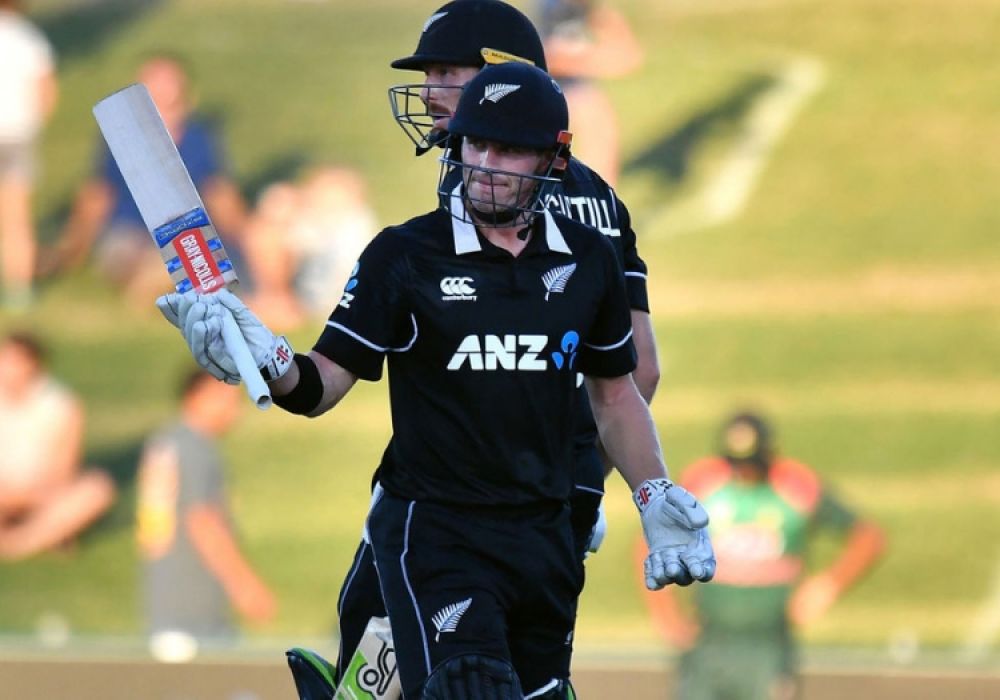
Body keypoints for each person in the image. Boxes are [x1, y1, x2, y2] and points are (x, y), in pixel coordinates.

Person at [158, 61, 713, 699]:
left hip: (543, 534)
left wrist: (652, 494)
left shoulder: (589, 260)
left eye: (508, 149)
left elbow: (616, 394)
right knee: (469, 688)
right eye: (475, 143)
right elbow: (321, 384)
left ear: (552, 160)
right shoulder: (404, 256)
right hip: (439, 532)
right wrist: (268, 362)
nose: (485, 162)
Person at [339, 0, 659, 688]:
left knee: (397, 645)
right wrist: (585, 483)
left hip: (462, 505)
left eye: (447, 72)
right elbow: (642, 370)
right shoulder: (600, 195)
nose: (428, 91)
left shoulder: (478, 183)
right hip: (551, 497)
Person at [638, 411, 886, 700]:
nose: (744, 473)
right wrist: (666, 614)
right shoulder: (702, 482)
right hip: (708, 642)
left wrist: (826, 586)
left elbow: (867, 536)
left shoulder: (796, 485)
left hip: (767, 645)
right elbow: (651, 539)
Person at [49, 53, 249, 305]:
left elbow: (219, 193)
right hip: (129, 231)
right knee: (124, 256)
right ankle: (158, 288)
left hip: (184, 235)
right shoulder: (121, 135)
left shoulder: (199, 137)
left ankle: (159, 288)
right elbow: (98, 193)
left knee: (183, 256)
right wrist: (73, 249)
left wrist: (242, 238)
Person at [136, 367, 276, 656]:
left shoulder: (166, 442)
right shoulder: (196, 449)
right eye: (228, 400)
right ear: (198, 396)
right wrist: (244, 586)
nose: (235, 411)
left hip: (165, 602)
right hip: (195, 608)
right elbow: (203, 522)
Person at [0, 331, 115, 560]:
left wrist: (26, 493)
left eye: (14, 361)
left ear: (34, 365)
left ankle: (16, 544)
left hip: (41, 492)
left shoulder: (61, 405)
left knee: (97, 489)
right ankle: (49, 535)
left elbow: (64, 468)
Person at [242, 165, 376, 330]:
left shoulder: (352, 230)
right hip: (285, 277)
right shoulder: (300, 208)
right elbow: (264, 229)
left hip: (311, 292)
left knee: (282, 310)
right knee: (266, 232)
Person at [536, 0, 644, 187]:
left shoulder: (590, 11)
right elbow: (541, 58)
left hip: (575, 87)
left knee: (597, 118)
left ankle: (601, 196)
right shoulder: (547, 11)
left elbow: (629, 57)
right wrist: (592, 61)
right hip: (550, 88)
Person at [0, 0, 58, 310]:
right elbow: (46, 88)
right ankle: (18, 289)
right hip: (19, 135)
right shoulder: (28, 37)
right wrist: (34, 124)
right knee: (16, 218)